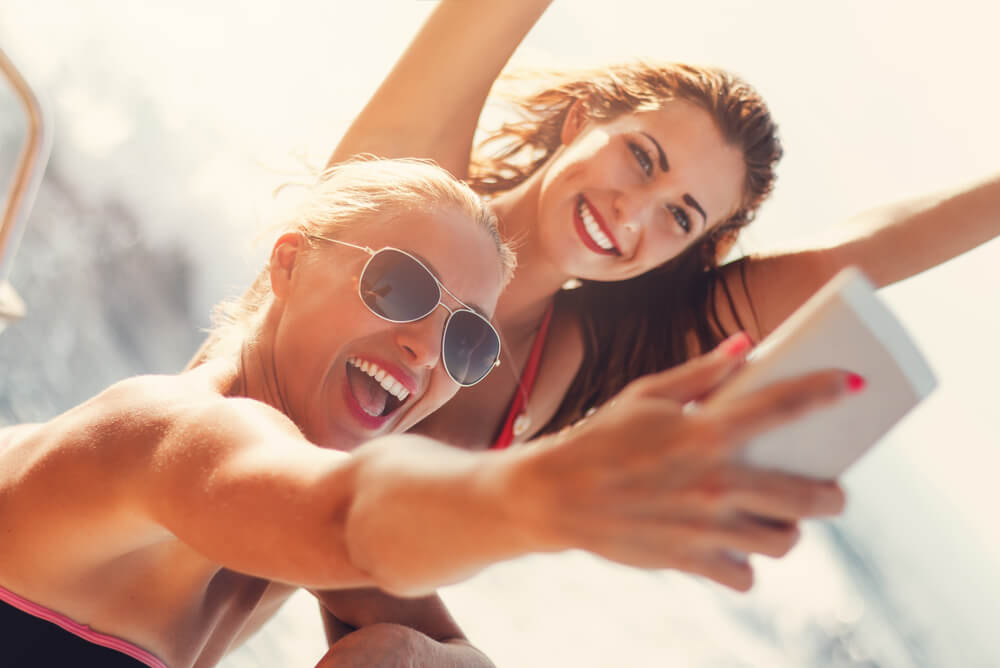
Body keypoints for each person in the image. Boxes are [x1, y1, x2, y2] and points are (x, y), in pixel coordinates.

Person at [312, 0, 1000, 661]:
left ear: (684, 250)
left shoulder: (586, 355)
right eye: (642, 158)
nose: (632, 213)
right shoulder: (407, 184)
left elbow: (841, 263)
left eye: (680, 216)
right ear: (581, 118)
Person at [0, 156, 855, 668]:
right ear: (290, 266)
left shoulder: (292, 512)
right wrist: (549, 496)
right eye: (400, 286)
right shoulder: (169, 433)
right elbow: (349, 518)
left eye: (467, 344)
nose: (422, 349)